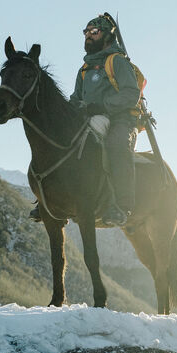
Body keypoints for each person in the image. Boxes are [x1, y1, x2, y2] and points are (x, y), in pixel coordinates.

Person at [30, 13, 141, 227]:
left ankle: (122, 205)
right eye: (86, 32)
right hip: (91, 118)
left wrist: (104, 106)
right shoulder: (84, 69)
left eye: (94, 32)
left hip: (121, 121)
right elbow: (75, 99)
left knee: (116, 145)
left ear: (107, 36)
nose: (88, 36)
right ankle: (48, 199)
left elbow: (130, 94)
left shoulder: (117, 61)